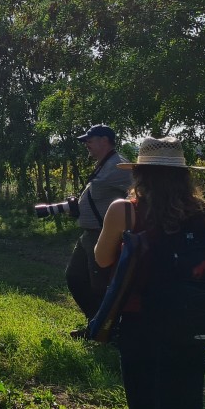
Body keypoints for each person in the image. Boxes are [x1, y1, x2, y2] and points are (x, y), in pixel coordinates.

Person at [94, 136, 205, 409]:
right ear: (183, 175)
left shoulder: (124, 211)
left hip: (140, 325)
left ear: (139, 174)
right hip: (190, 327)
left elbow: (102, 259)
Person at [66, 124, 132, 321]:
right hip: (88, 234)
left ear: (105, 140)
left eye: (90, 139)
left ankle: (108, 330)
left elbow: (139, 193)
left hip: (104, 234)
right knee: (75, 277)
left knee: (100, 286)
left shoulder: (119, 165)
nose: (86, 144)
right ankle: (95, 324)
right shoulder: (104, 164)